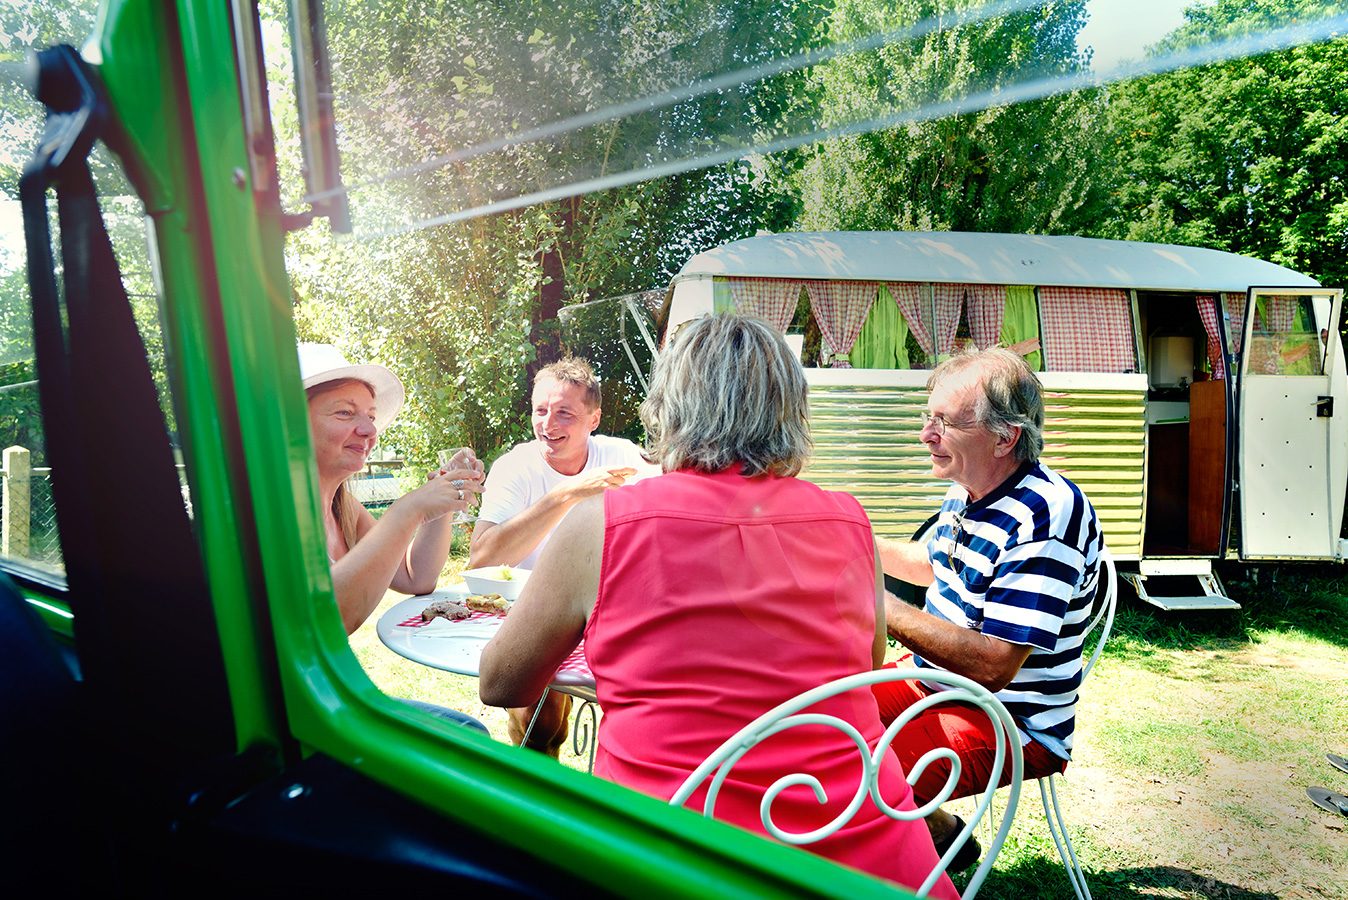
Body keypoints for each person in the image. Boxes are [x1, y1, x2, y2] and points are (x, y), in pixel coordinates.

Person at [479, 315, 957, 897]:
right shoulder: (846, 517)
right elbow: (867, 659)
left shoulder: (603, 521)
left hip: (674, 852)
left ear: (670, 404)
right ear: (789, 408)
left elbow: (502, 683)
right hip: (861, 855)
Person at [875, 347, 1104, 870]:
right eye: (927, 419)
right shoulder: (970, 489)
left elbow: (994, 664)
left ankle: (912, 853)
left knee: (857, 778)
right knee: (808, 722)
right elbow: (936, 564)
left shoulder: (1046, 513)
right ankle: (943, 833)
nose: (925, 436)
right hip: (934, 683)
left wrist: (874, 603)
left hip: (1013, 719)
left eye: (945, 423)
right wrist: (849, 541)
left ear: (1006, 437)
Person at [468, 356, 656, 755]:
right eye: (540, 410)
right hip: (533, 609)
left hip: (608, 609)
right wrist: (567, 494)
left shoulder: (624, 457)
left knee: (641, 710)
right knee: (541, 725)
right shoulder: (516, 466)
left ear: (594, 419)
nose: (548, 424)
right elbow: (482, 559)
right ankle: (537, 802)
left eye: (564, 413)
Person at [300, 342, 488, 732]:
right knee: (469, 737)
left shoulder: (342, 506)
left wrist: (441, 503)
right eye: (345, 413)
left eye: (369, 415)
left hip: (330, 694)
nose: (369, 430)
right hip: (299, 711)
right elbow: (325, 620)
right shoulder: (270, 509)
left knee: (471, 734)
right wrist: (409, 509)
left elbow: (416, 578)